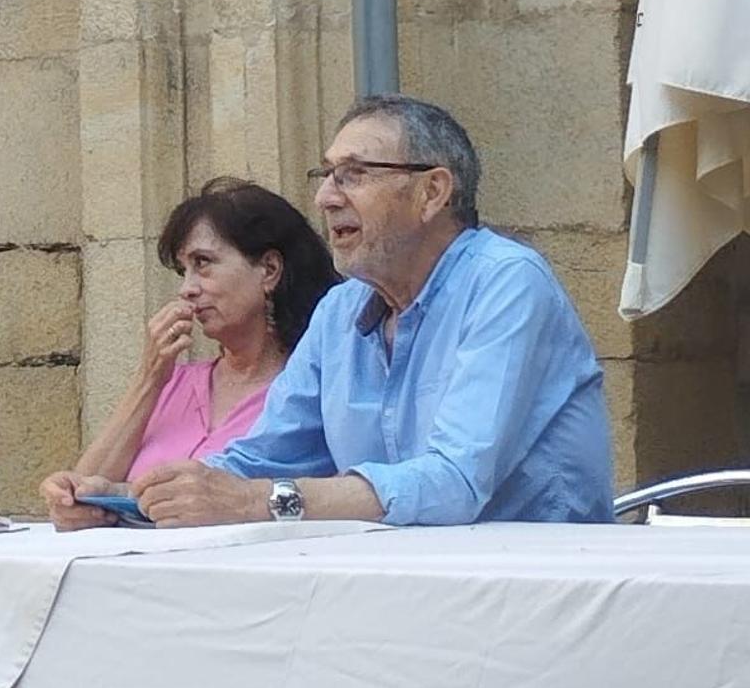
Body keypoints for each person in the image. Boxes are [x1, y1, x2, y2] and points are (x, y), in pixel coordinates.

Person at [60, 94, 614, 529]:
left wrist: (260, 502)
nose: (325, 197)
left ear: (432, 192)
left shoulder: (506, 282)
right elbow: (259, 460)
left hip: (536, 595)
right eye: (325, 175)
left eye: (353, 173)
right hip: (398, 592)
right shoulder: (341, 310)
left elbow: (456, 482)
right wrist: (128, 500)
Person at [41, 178, 341, 528]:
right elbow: (84, 495)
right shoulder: (172, 383)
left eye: (204, 264)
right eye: (184, 270)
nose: (187, 289)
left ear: (269, 270)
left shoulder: (310, 387)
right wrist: (149, 377)